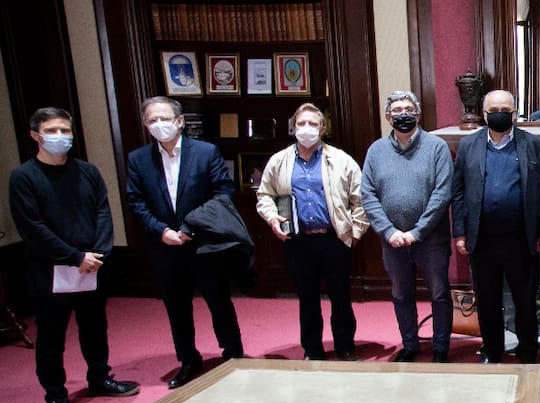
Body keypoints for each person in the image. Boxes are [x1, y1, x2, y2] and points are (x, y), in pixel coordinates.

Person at [9, 107, 139, 403]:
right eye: (52, 131)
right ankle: (55, 395)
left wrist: (98, 253)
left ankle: (99, 377)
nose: (61, 137)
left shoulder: (88, 172)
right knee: (52, 335)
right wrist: (74, 256)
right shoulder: (24, 177)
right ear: (35, 135)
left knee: (94, 326)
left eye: (66, 131)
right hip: (52, 269)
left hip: (92, 265)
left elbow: (103, 213)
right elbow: (33, 228)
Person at [127, 96, 245, 388]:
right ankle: (188, 359)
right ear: (145, 124)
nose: (159, 125)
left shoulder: (206, 153)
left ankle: (234, 353)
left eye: (164, 119)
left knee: (219, 300)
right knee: (176, 306)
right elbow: (136, 200)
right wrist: (161, 230)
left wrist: (191, 227)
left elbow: (223, 192)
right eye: (152, 120)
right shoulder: (138, 159)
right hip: (165, 245)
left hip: (204, 242)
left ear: (179, 121)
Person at [256, 103, 368, 361]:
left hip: (334, 239)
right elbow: (265, 195)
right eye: (301, 124)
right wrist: (273, 218)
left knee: (340, 297)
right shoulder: (280, 161)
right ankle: (312, 350)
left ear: (323, 128)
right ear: (293, 128)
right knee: (307, 300)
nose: (307, 129)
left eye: (313, 124)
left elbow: (361, 200)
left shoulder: (341, 160)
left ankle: (345, 347)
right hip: (298, 241)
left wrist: (355, 232)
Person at [451, 89, 540, 364]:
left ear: (514, 113)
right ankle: (492, 350)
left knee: (525, 301)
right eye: (493, 110)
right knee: (488, 301)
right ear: (484, 114)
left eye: (504, 110)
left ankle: (527, 351)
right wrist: (459, 232)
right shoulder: (469, 145)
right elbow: (458, 192)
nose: (499, 114)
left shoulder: (533, 145)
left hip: (521, 239)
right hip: (482, 239)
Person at [361, 90, 454, 362]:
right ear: (388, 117)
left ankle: (440, 348)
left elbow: (442, 193)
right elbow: (367, 194)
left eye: (408, 109)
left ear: (418, 114)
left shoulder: (436, 147)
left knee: (439, 293)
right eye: (397, 110)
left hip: (430, 239)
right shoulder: (376, 151)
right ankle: (410, 345)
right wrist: (389, 231)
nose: (404, 114)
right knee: (401, 294)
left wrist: (417, 231)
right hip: (393, 241)